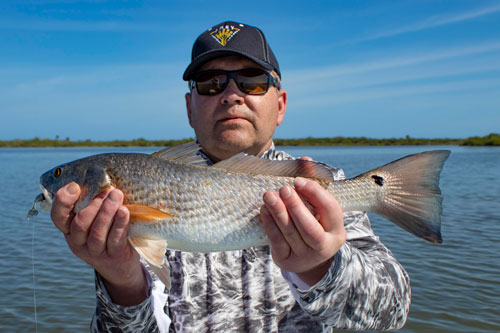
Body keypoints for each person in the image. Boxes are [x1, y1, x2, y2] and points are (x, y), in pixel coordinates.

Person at [50, 21, 410, 332]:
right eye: (210, 83)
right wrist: (122, 281)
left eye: (252, 81)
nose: (231, 95)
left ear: (280, 105)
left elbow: (391, 312)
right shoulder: (119, 210)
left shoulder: (323, 182)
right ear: (190, 108)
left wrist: (323, 266)